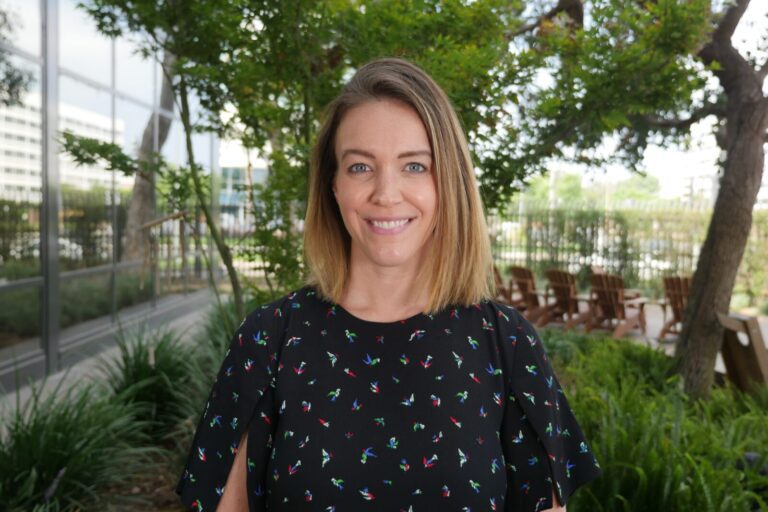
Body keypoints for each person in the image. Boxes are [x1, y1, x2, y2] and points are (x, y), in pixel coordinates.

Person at [177, 58, 602, 511]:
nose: (386, 193)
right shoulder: (270, 339)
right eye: (360, 167)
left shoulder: (507, 343)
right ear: (333, 186)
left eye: (415, 166)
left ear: (449, 183)